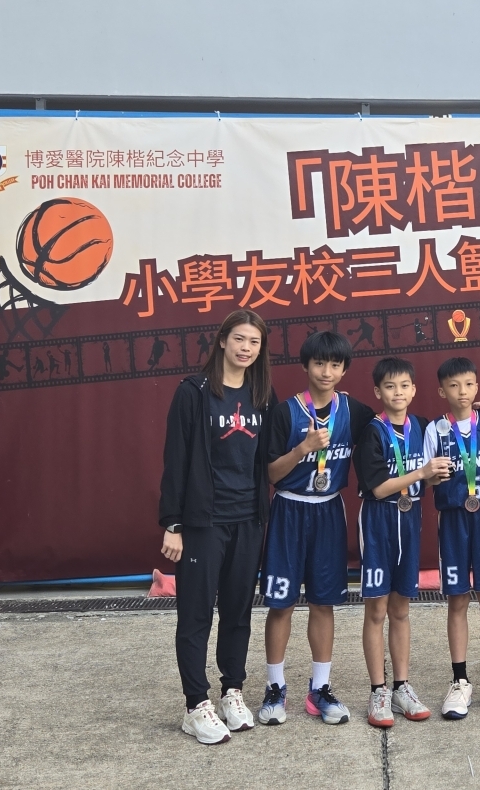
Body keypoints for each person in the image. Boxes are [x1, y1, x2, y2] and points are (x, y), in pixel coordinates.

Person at [158, 309, 276, 745]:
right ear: (223, 340)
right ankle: (195, 705)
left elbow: (273, 453)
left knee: (238, 611)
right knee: (195, 614)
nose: (246, 348)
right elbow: (175, 460)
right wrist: (173, 523)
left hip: (248, 519)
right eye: (239, 339)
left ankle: (232, 691)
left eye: (254, 342)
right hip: (203, 522)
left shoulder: (263, 394)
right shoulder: (194, 392)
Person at [259, 330, 376, 726]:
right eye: (320, 363)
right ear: (305, 365)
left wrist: (471, 412)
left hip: (328, 512)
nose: (327, 371)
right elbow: (271, 473)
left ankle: (320, 688)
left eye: (335, 364)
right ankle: (275, 688)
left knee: (323, 603)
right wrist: (303, 449)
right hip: (289, 509)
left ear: (344, 370)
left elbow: (394, 426)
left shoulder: (354, 411)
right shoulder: (285, 413)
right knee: (281, 603)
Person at [354, 357, 451, 727]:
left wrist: (434, 475)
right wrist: (422, 472)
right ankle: (377, 690)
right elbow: (379, 488)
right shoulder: (372, 432)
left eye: (404, 386)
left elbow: (459, 425)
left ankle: (401, 686)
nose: (398, 392)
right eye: (389, 386)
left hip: (409, 520)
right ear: (378, 392)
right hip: (379, 522)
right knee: (376, 610)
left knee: (401, 609)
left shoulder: (422, 427)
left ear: (414, 390)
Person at [421, 357, 480, 721]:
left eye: (468, 384)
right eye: (453, 385)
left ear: (477, 387)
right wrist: (432, 476)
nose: (461, 392)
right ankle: (460, 681)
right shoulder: (435, 430)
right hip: (452, 519)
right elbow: (423, 477)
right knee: (458, 599)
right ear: (441, 391)